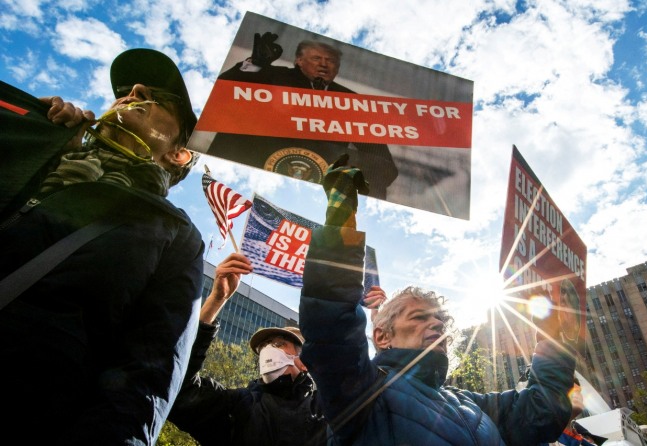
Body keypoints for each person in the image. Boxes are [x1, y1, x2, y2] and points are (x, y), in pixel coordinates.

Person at [0, 48, 203, 445]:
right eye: (127, 91)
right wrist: (29, 135)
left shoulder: (176, 235)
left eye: (158, 98)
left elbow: (144, 382)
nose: (134, 91)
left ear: (179, 154)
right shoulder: (39, 152)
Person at [298, 157, 577, 445]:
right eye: (419, 317)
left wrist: (551, 337)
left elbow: (541, 414)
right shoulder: (364, 391)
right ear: (382, 336)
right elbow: (330, 323)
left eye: (440, 320)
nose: (436, 324)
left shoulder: (471, 404)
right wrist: (341, 213)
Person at [168, 251, 386, 445]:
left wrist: (380, 326)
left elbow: (378, 398)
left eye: (281, 344)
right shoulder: (237, 406)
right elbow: (176, 387)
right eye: (265, 346)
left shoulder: (327, 408)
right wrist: (217, 299)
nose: (269, 349)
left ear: (303, 360)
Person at [211, 32, 398, 199]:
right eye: (317, 58)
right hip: (251, 175)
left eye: (331, 60)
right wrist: (256, 63)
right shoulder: (268, 76)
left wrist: (352, 185)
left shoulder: (350, 101)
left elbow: (382, 164)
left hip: (311, 193)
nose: (324, 64)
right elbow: (223, 93)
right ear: (299, 61)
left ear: (338, 68)